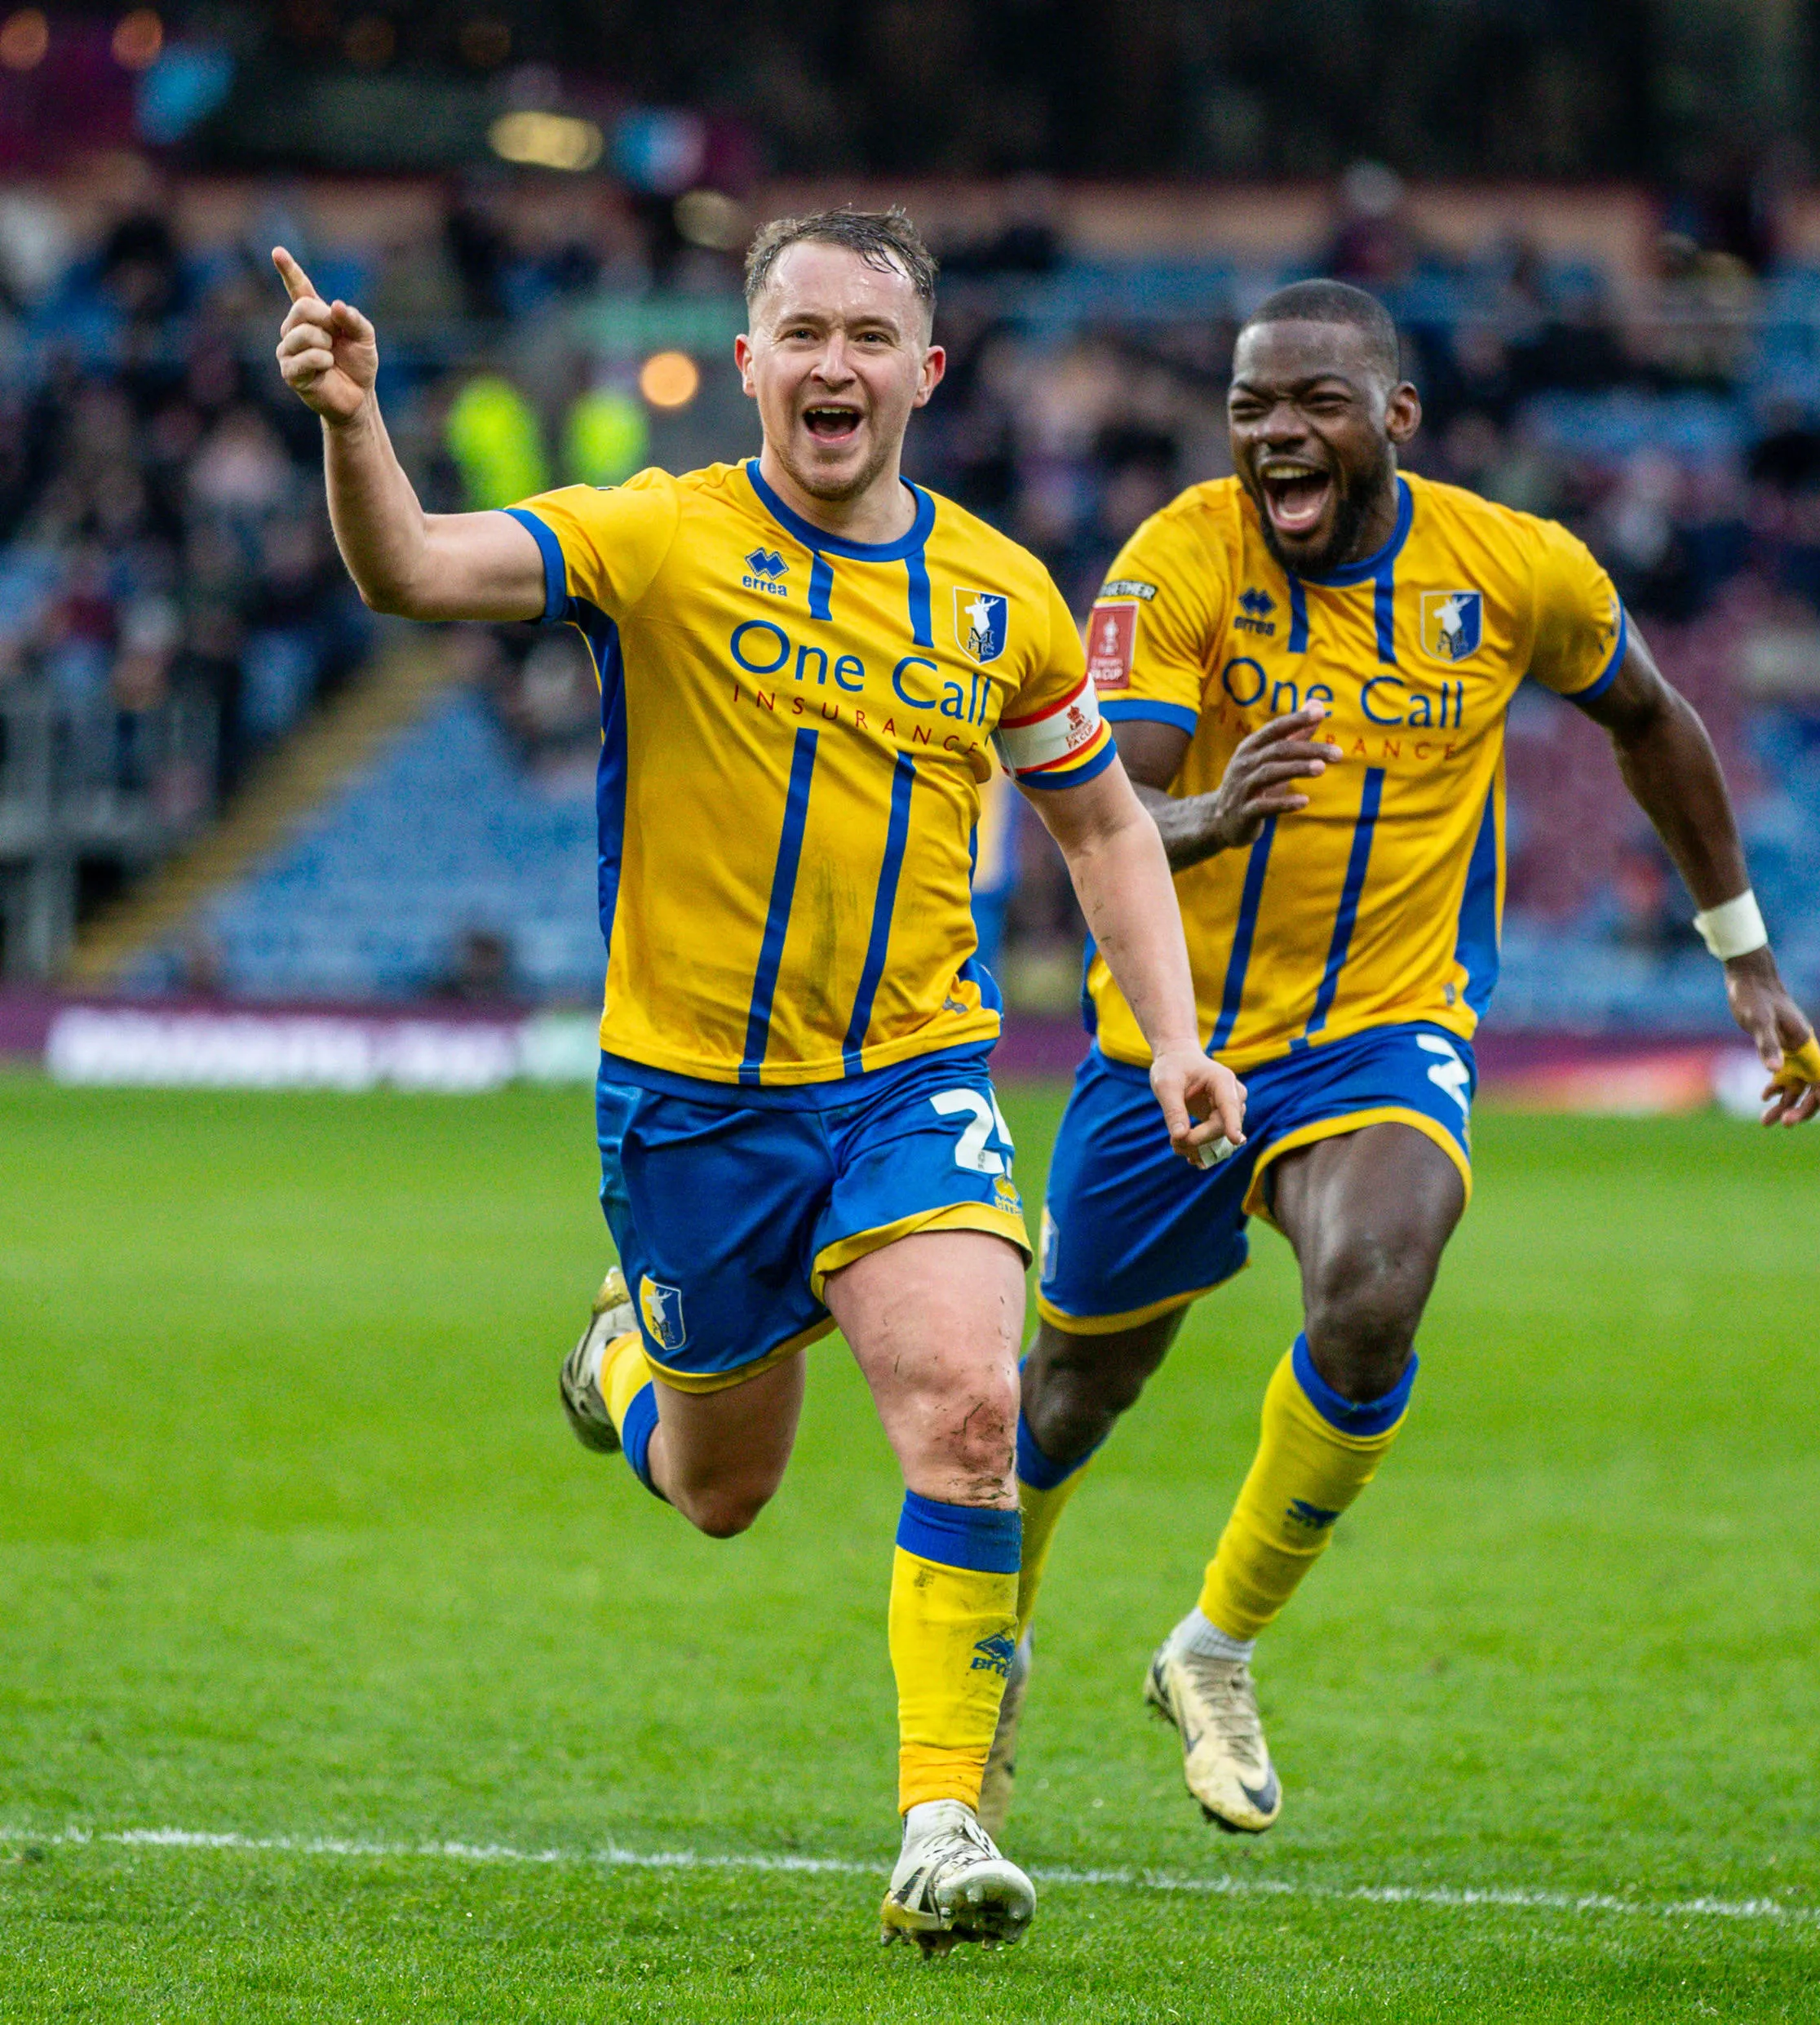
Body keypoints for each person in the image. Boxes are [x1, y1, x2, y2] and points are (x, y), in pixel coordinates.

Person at [272, 208, 1245, 1953]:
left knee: (967, 1410)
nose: (835, 367)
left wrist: (1174, 1036)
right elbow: (411, 566)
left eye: (871, 337)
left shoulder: (1000, 595)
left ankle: (942, 1822)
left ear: (925, 372)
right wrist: (356, 425)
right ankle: (626, 1356)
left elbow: (1100, 816)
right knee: (725, 1486)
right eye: (802, 333)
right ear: (749, 364)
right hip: (693, 1106)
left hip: (908, 1077)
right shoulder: (656, 537)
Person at [981, 279, 1820, 1839]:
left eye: (1310, 402)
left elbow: (1653, 722)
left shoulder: (1515, 570)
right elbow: (1097, 814)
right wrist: (1209, 817)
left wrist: (1748, 961)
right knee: (1068, 1396)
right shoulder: (1179, 557)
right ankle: (995, 1639)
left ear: (1395, 416)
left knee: (1376, 1284)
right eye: (1248, 408)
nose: (1271, 436)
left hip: (1385, 1028)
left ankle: (1213, 1645)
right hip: (1167, 1044)